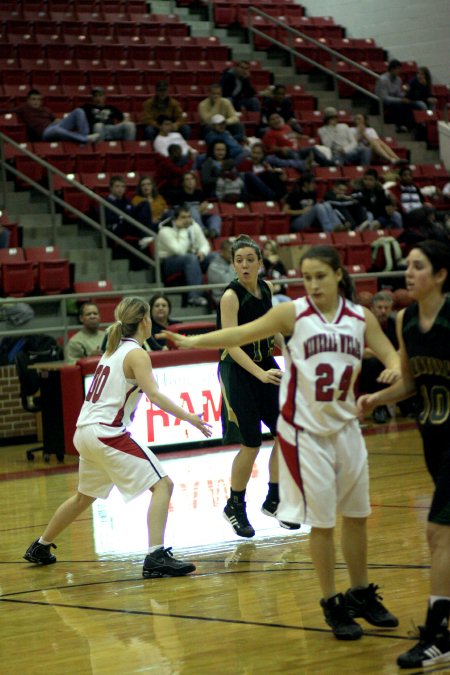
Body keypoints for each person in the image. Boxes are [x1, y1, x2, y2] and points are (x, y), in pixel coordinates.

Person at [158, 244, 400, 640]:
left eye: (320, 276)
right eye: (306, 278)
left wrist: (391, 369)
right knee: (321, 522)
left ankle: (360, 593)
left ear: (339, 275)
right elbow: (238, 334)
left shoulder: (360, 316)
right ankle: (331, 602)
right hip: (306, 433)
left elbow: (390, 355)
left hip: (348, 430)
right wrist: (190, 343)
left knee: (357, 517)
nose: (313, 284)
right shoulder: (292, 312)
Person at [24, 297, 212, 577]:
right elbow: (155, 394)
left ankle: (40, 545)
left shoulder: (112, 350)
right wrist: (190, 417)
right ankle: (156, 556)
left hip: (84, 432)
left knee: (83, 497)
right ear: (145, 320)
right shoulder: (137, 353)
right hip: (106, 433)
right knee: (163, 485)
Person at [357, 240, 450, 668]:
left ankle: (438, 634)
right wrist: (376, 400)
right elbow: (411, 383)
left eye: (418, 266)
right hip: (434, 440)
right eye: (407, 266)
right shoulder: (405, 320)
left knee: (438, 534)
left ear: (441, 274)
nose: (408, 272)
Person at [211, 235, 301, 538]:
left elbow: (272, 327)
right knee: (251, 443)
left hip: (264, 365)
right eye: (239, 260)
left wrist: (288, 350)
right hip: (237, 370)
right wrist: (260, 374)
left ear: (260, 263)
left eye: (250, 259)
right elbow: (230, 343)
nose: (245, 265)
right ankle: (234, 506)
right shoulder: (230, 297)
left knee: (286, 432)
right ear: (233, 265)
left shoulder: (267, 288)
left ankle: (274, 498)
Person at [156, 205, 215, 307]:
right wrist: (183, 230)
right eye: (183, 217)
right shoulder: (164, 231)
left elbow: (205, 244)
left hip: (191, 259)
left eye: (189, 216)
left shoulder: (193, 226)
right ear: (175, 219)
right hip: (168, 263)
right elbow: (180, 251)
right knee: (190, 259)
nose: (187, 220)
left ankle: (221, 293)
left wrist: (202, 252)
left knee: (215, 256)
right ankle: (194, 297)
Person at [8, 89, 99, 144]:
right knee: (56, 130)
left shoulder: (46, 109)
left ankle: (85, 136)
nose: (36, 102)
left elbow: (55, 119)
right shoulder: (24, 108)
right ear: (28, 100)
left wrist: (58, 121)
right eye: (33, 99)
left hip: (54, 126)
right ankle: (85, 139)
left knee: (79, 111)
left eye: (38, 99)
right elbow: (8, 111)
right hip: (44, 133)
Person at [263, 112, 331, 170]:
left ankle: (328, 165)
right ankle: (305, 168)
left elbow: (293, 135)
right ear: (269, 123)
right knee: (292, 153)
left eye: (277, 117)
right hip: (286, 154)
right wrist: (281, 149)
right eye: (273, 119)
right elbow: (271, 148)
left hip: (298, 150)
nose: (276, 120)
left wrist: (301, 136)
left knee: (312, 149)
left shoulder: (287, 127)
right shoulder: (270, 134)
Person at [172, 172, 222, 238]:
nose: (190, 181)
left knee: (215, 217)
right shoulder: (178, 194)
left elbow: (204, 208)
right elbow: (178, 211)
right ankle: (202, 230)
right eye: (187, 179)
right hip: (187, 219)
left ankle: (214, 232)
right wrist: (196, 210)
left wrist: (204, 208)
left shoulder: (199, 193)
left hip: (200, 216)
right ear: (183, 183)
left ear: (195, 181)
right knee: (193, 209)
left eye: (192, 179)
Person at [375, 59, 415, 132]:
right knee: (398, 105)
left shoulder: (398, 79)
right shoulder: (383, 79)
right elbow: (384, 97)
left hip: (393, 99)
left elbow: (398, 93)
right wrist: (400, 100)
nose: (399, 71)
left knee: (410, 104)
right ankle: (398, 126)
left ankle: (407, 126)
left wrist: (406, 94)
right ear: (392, 69)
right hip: (381, 102)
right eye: (397, 69)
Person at [260, 240, 290, 305]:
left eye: (271, 250)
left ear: (275, 253)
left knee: (288, 301)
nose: (267, 252)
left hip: (278, 295)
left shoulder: (279, 265)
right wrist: (268, 261)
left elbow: (284, 284)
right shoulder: (259, 263)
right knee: (274, 302)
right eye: (266, 249)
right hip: (263, 296)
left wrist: (279, 286)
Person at [206, 238, 235, 305]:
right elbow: (228, 283)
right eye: (230, 252)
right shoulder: (213, 267)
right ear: (222, 252)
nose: (233, 255)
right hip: (222, 298)